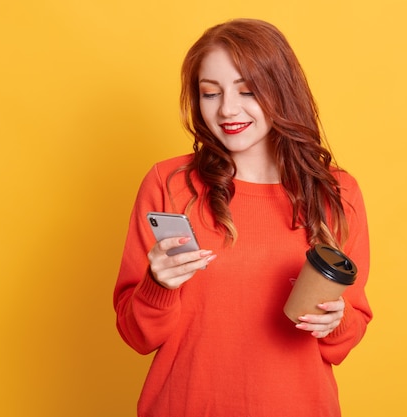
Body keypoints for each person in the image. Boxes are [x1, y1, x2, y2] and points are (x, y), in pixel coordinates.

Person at [113, 18, 372, 417]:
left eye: (248, 91)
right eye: (210, 93)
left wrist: (335, 321)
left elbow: (341, 342)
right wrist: (158, 285)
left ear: (281, 92)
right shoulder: (169, 183)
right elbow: (137, 335)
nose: (227, 109)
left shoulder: (336, 193)